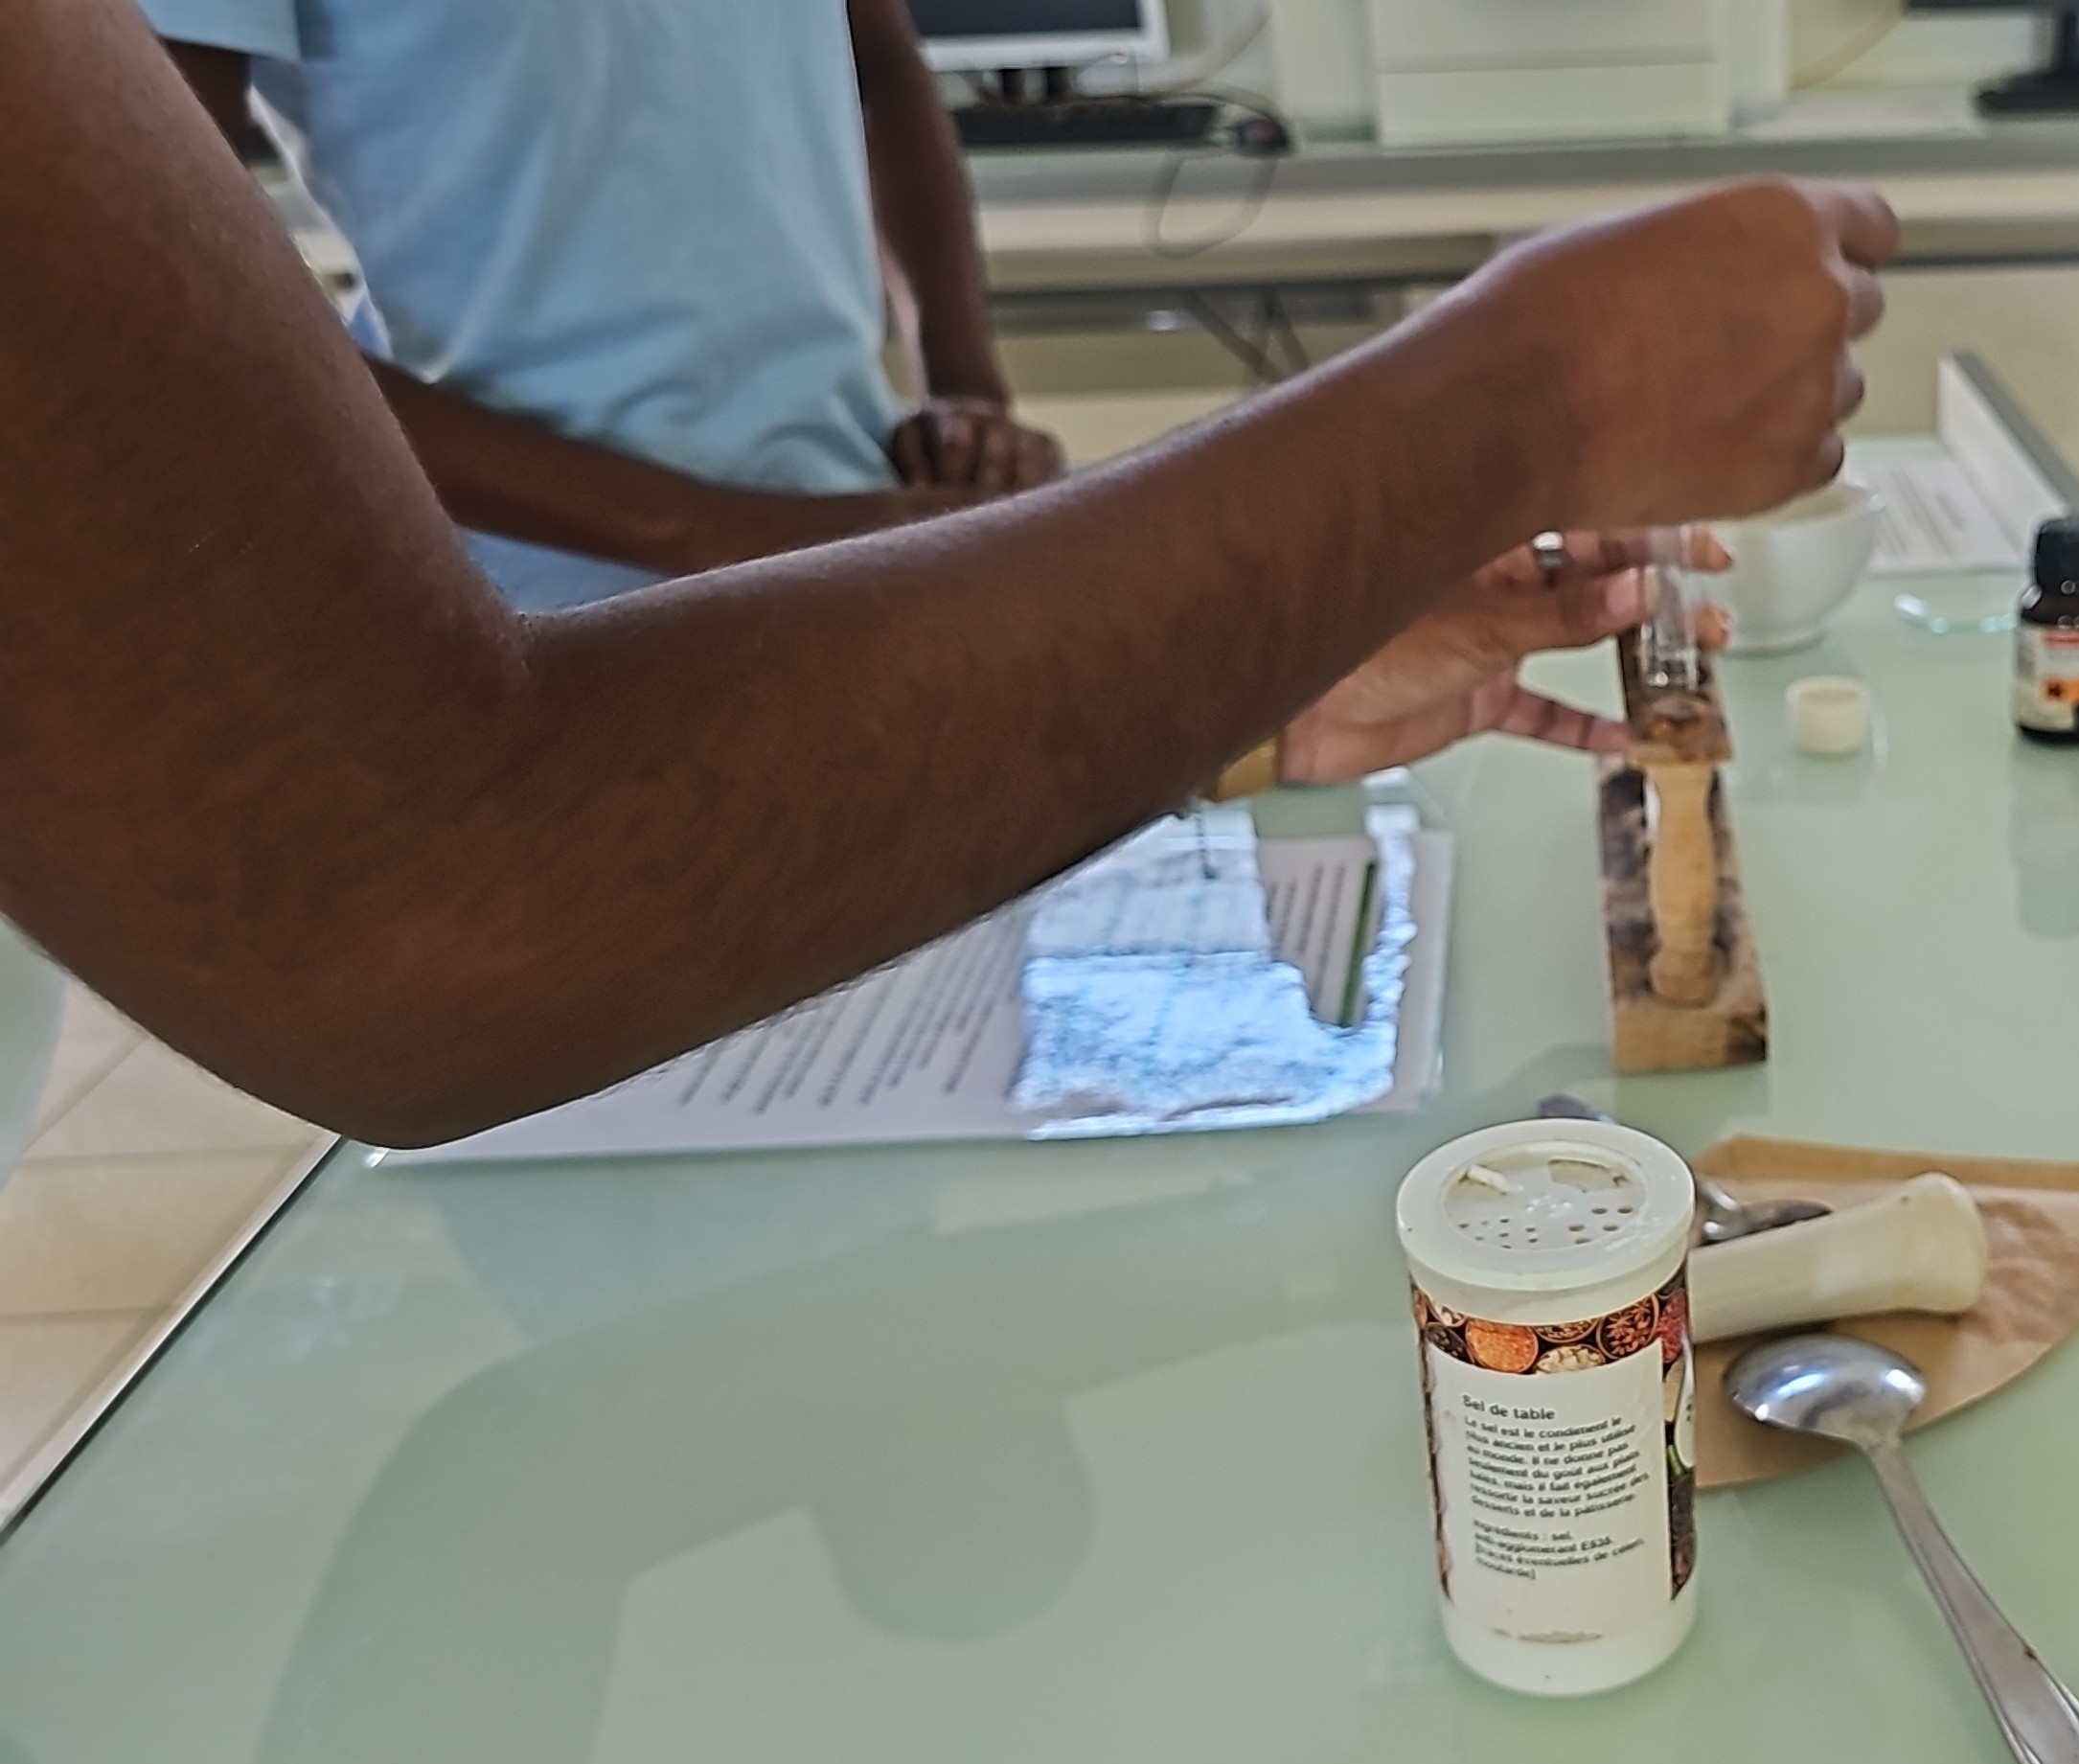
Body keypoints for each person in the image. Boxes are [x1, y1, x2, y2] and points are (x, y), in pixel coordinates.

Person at [0, 0, 1893, 1156]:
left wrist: (1232, 655)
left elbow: (876, 59)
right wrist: (1521, 394)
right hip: (560, 647)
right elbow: (417, 918)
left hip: (855, 589)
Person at [148, 0, 1065, 608]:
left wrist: (966, 390)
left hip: (851, 518)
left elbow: (877, 61)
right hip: (537, 613)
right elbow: (184, 312)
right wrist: (722, 533)